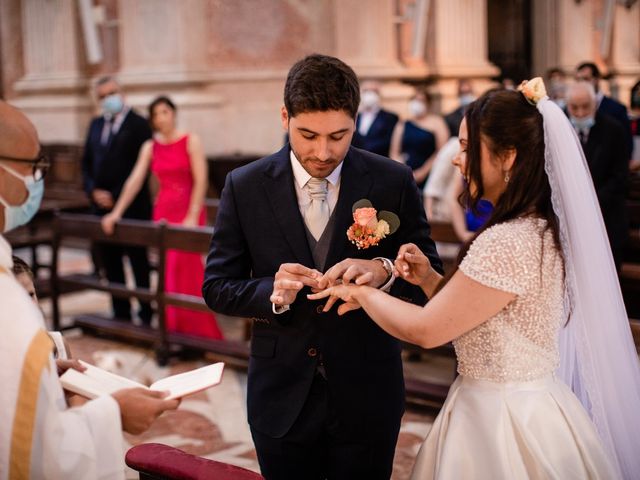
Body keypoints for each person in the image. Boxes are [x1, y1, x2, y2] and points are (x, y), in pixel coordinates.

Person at [310, 80, 640, 479]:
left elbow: (428, 331)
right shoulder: (537, 229)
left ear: (507, 157)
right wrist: (430, 279)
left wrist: (358, 292)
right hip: (535, 405)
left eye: (467, 147)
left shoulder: (505, 241)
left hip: (500, 421)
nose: (456, 158)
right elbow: (482, 316)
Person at [203, 54, 442, 479]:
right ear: (284, 117)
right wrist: (270, 293)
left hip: (369, 392)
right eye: (308, 134)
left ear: (356, 122)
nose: (323, 152)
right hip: (280, 396)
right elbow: (217, 286)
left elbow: (426, 275)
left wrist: (385, 271)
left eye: (339, 136)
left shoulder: (392, 180)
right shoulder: (245, 185)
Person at [0, 99, 179, 479]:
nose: (38, 179)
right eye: (34, 167)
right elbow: (42, 458)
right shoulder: (8, 309)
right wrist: (115, 411)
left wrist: (46, 377)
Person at [102, 96, 223, 339]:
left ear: (174, 113)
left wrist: (192, 215)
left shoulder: (191, 140)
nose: (161, 118)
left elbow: (201, 180)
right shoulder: (150, 147)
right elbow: (134, 182)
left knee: (186, 268)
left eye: (165, 112)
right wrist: (115, 213)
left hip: (189, 211)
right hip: (164, 213)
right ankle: (173, 330)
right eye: (156, 114)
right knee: (168, 272)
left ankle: (199, 331)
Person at [81, 76, 153, 325]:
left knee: (138, 262)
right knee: (110, 263)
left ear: (122, 93)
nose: (108, 99)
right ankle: (120, 312)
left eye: (111, 93)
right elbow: (87, 163)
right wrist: (93, 192)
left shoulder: (140, 124)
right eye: (102, 96)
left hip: (133, 206)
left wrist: (116, 196)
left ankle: (145, 313)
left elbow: (139, 170)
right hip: (100, 206)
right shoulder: (95, 124)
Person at [566, 81, 629, 270]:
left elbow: (619, 176)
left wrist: (590, 201)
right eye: (574, 107)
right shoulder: (563, 130)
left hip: (607, 216)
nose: (579, 113)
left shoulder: (613, 130)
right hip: (573, 220)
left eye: (585, 107)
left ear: (594, 105)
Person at [390, 89, 450, 190]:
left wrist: (423, 172)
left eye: (421, 100)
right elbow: (394, 152)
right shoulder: (403, 124)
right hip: (405, 174)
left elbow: (442, 151)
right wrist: (402, 169)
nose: (417, 104)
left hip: (430, 174)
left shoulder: (437, 123)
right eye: (414, 100)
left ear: (428, 104)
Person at [576, 61, 633, 159]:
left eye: (586, 79)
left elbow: (626, 144)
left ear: (597, 79)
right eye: (578, 80)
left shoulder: (616, 109)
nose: (582, 84)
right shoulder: (570, 109)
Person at [351, 80, 399, 157]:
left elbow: (389, 141)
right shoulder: (354, 116)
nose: (369, 94)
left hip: (379, 161)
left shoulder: (391, 117)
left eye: (373, 91)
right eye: (366, 91)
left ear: (379, 94)